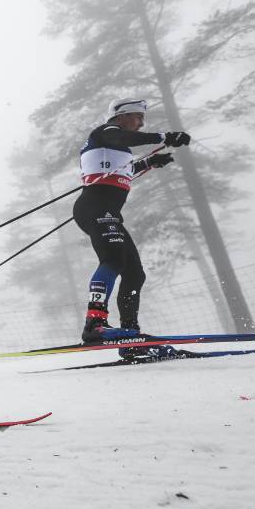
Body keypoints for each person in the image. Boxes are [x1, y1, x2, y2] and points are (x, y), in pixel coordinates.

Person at [75, 98, 190, 360]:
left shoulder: (114, 145)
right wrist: (164, 136)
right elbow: (120, 138)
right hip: (95, 208)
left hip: (106, 212)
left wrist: (150, 163)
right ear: (122, 116)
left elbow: (123, 170)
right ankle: (94, 324)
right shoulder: (106, 133)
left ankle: (130, 337)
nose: (142, 123)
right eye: (138, 117)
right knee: (114, 259)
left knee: (135, 274)